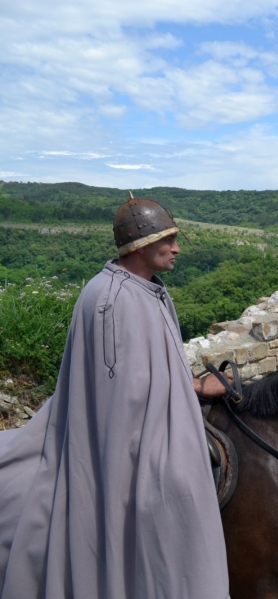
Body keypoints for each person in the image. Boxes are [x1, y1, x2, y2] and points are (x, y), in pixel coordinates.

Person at [0, 195, 230, 598]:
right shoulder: (112, 300)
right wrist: (190, 390)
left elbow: (153, 368)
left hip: (152, 411)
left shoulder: (147, 288)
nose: (177, 249)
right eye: (169, 239)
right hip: (123, 439)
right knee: (182, 485)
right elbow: (122, 398)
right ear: (141, 244)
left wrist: (190, 384)